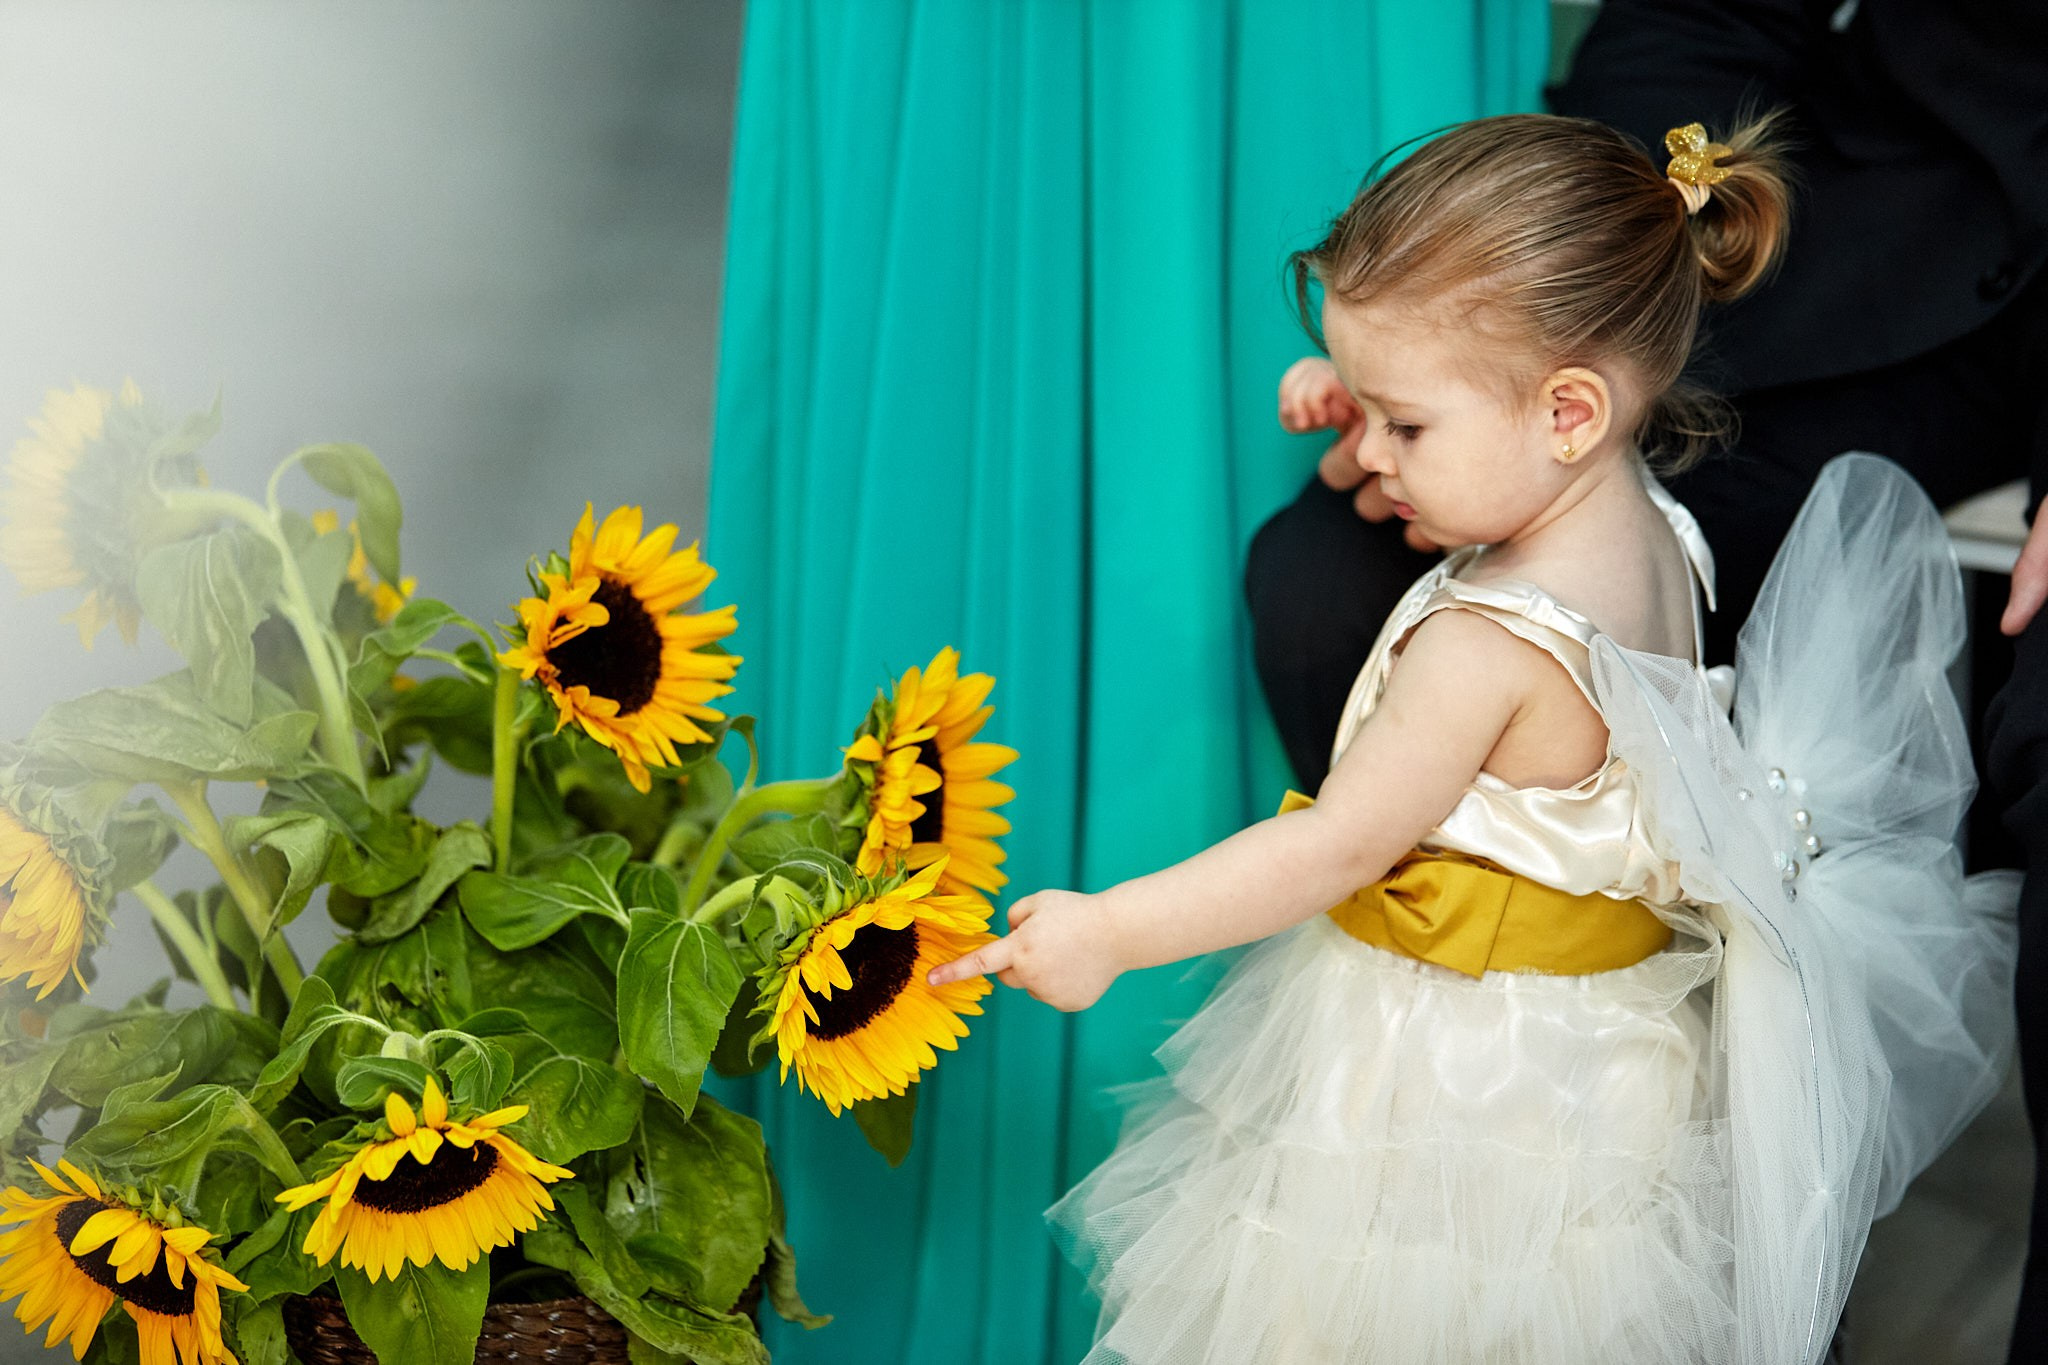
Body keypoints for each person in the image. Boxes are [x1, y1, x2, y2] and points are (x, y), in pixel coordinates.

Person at [928, 111, 2014, 1363]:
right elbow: (1489, 454)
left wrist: (1107, 932)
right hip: (1608, 1069)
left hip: (1456, 1090)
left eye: (1404, 428)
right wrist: (1391, 400)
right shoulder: (1649, 527)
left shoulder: (1483, 649)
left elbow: (1332, 850)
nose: (1373, 459)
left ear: (1563, 412)